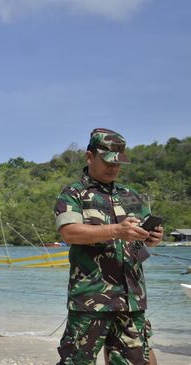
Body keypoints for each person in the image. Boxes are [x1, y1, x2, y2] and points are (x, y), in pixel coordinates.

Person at [53, 128, 164, 365]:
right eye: (107, 161)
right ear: (89, 156)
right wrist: (116, 230)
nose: (113, 168)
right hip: (91, 298)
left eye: (118, 163)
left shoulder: (130, 195)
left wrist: (153, 236)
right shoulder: (74, 194)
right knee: (76, 361)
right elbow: (69, 232)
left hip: (131, 298)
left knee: (137, 361)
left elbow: (142, 234)